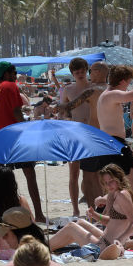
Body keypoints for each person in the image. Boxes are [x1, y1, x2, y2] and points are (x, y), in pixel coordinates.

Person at [0, 61, 45, 222]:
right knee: (29, 173)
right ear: (5, 73)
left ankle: (2, 214)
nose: (15, 75)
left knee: (3, 178)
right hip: (17, 137)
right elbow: (16, 111)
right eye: (13, 72)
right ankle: (39, 214)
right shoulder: (11, 86)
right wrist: (27, 130)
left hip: (0, 139)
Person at [49, 164, 133, 259]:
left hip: (106, 246)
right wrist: (94, 215)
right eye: (105, 182)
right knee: (80, 222)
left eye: (111, 181)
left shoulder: (122, 195)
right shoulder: (113, 194)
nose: (108, 185)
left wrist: (120, 240)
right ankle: (52, 247)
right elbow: (110, 221)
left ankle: (43, 248)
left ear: (119, 178)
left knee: (71, 227)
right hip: (105, 240)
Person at [56, 58, 94, 216]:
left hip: (92, 132)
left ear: (87, 70)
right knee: (74, 173)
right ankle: (75, 209)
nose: (80, 74)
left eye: (82, 71)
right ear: (72, 73)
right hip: (74, 134)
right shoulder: (68, 90)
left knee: (91, 174)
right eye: (76, 72)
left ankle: (92, 207)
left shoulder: (94, 87)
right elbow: (61, 111)